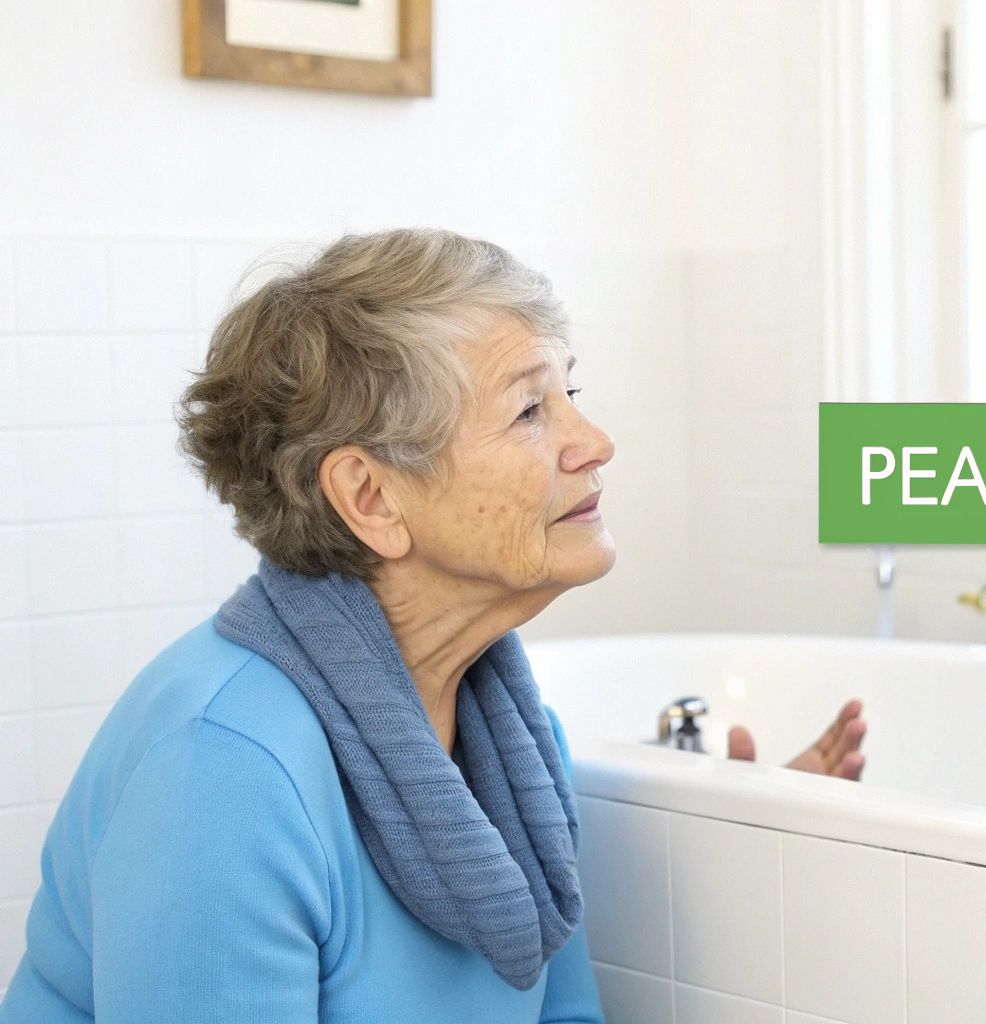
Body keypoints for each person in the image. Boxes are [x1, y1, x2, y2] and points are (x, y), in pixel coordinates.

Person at [0, 228, 865, 1022]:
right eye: (531, 411)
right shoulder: (220, 772)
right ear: (371, 497)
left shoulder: (514, 735)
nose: (594, 440)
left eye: (571, 394)